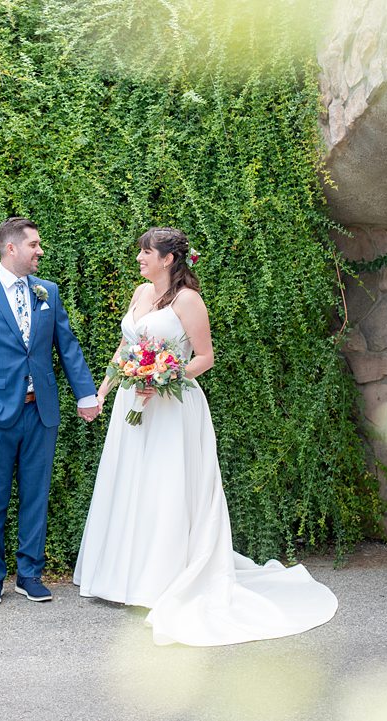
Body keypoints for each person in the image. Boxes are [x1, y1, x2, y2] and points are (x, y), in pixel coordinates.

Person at [73, 227, 338, 645]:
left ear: (168, 259)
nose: (140, 258)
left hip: (172, 406)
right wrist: (102, 392)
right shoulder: (141, 294)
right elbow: (125, 351)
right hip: (133, 402)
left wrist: (165, 376)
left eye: (146, 253)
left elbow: (205, 357)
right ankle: (122, 577)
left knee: (166, 486)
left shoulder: (188, 300)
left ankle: (160, 580)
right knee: (132, 484)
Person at [0, 217, 101, 607]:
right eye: (33, 245)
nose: (40, 251)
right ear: (11, 248)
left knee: (36, 495)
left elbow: (67, 347)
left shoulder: (47, 291)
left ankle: (29, 574)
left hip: (41, 413)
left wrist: (86, 394)